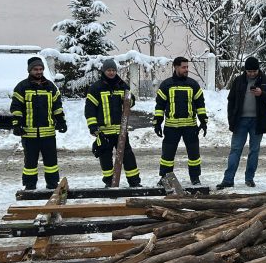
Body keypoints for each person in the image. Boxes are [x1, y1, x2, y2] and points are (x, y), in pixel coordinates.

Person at [216, 57, 266, 189]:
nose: (252, 74)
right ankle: (228, 179)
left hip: (257, 121)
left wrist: (262, 94)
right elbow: (231, 100)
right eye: (249, 71)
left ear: (258, 69)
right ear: (245, 70)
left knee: (254, 151)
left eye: (254, 71)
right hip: (240, 121)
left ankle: (249, 178)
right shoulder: (238, 81)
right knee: (235, 150)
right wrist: (231, 118)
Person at [10, 57, 66, 190]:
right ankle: (30, 186)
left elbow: (57, 106)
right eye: (36, 69)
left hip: (48, 133)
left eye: (41, 69)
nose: (39, 72)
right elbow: (16, 108)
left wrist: (61, 121)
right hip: (29, 134)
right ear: (30, 70)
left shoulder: (50, 87)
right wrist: (17, 125)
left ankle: (52, 185)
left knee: (51, 163)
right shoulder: (22, 87)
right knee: (30, 163)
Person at [85, 58, 142, 187]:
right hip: (104, 131)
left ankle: (134, 182)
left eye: (113, 70)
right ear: (104, 71)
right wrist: (93, 126)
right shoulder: (96, 88)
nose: (111, 73)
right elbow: (90, 109)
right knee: (105, 158)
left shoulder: (122, 85)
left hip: (120, 131)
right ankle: (109, 182)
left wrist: (129, 99)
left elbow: (131, 102)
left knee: (127, 157)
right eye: (109, 70)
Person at [153, 57, 208, 185]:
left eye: (187, 67)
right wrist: (157, 123)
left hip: (190, 127)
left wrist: (204, 121)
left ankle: (195, 178)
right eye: (184, 67)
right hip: (171, 128)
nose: (186, 70)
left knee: (194, 156)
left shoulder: (193, 84)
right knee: (167, 157)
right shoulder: (166, 85)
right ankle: (165, 178)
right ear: (176, 67)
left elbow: (200, 104)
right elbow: (159, 106)